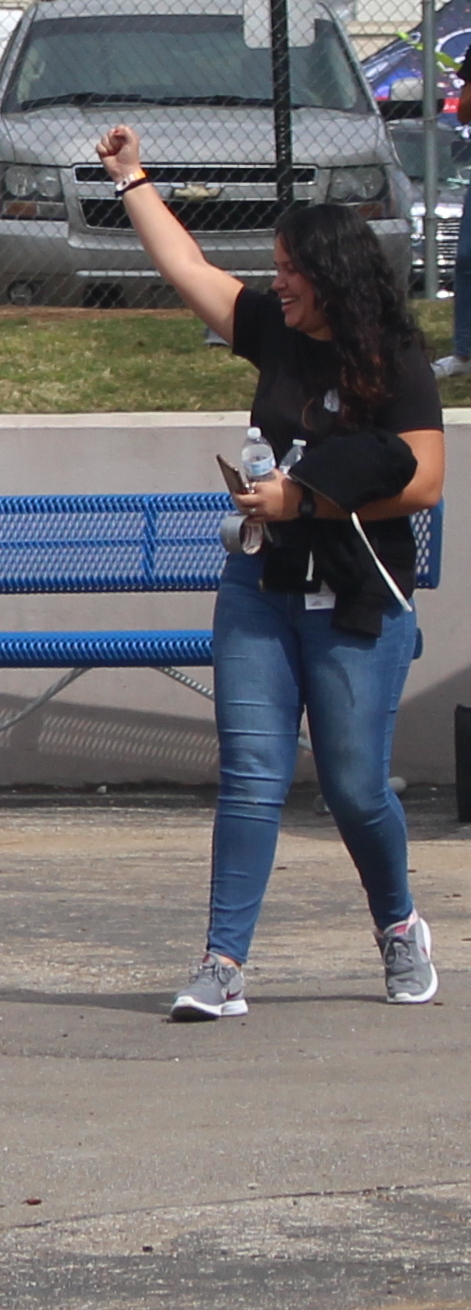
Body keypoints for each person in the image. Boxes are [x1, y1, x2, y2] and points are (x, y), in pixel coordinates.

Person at [94, 124, 446, 1020]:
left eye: (290, 267)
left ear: (330, 275)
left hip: (357, 602)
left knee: (355, 789)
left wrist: (309, 500)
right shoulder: (275, 334)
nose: (276, 280)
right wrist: (130, 178)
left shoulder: (394, 359)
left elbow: (425, 479)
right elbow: (191, 271)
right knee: (251, 773)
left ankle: (400, 926)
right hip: (259, 591)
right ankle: (222, 963)